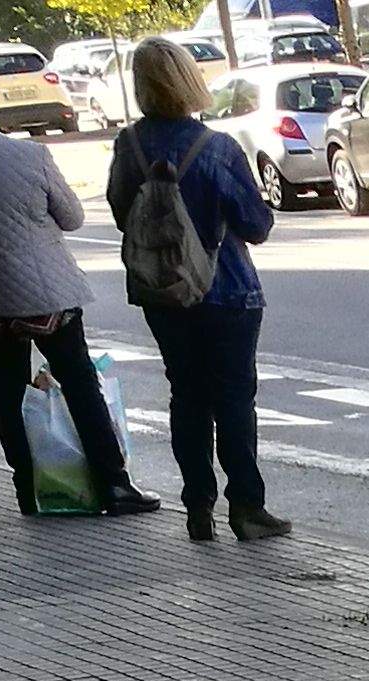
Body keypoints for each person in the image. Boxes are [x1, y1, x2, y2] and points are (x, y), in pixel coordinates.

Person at [0, 41, 155, 519]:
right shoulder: (29, 157)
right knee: (79, 381)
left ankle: (28, 486)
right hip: (47, 295)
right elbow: (73, 216)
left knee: (6, 384)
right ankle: (115, 484)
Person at [103, 36, 282, 542]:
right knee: (233, 399)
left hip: (162, 293)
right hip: (227, 291)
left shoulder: (129, 146)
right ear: (188, 80)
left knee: (186, 395)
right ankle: (247, 507)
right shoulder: (218, 147)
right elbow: (255, 224)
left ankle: (197, 508)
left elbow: (122, 214)